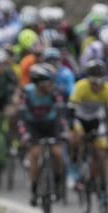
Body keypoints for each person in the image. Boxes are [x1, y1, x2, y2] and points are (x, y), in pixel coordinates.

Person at [68, 59, 108, 187]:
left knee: (102, 151)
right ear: (88, 80)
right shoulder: (80, 87)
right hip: (79, 118)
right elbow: (71, 110)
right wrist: (71, 129)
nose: (97, 86)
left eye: (101, 82)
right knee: (76, 139)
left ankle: (101, 181)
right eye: (94, 82)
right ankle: (74, 168)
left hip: (96, 120)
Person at [20, 64, 66, 205]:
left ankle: (58, 183)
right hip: (33, 126)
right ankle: (34, 190)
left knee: (57, 153)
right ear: (38, 84)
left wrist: (64, 131)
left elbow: (61, 114)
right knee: (34, 154)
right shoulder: (27, 93)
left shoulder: (55, 94)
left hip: (51, 125)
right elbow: (21, 115)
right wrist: (24, 134)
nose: (51, 86)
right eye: (47, 83)